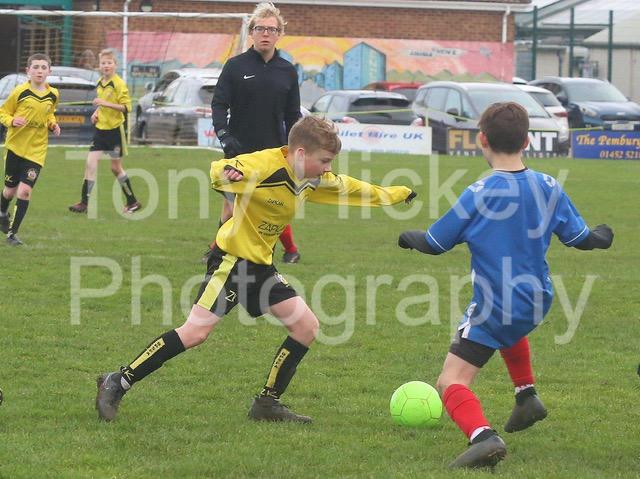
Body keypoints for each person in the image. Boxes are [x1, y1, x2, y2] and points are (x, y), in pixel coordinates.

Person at [95, 115, 416, 423]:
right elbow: (221, 169)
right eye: (325, 160)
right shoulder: (264, 165)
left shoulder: (310, 178)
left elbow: (352, 188)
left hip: (261, 266)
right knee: (195, 332)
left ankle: (266, 403)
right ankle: (117, 381)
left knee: (305, 327)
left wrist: (396, 194)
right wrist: (229, 173)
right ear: (300, 153)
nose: (328, 168)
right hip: (232, 261)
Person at [398, 102, 613, 469]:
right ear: (527, 141)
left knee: (450, 381)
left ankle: (483, 437)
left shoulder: (478, 192)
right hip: (538, 299)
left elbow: (435, 243)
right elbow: (580, 238)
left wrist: (408, 237)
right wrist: (601, 236)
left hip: (495, 305)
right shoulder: (548, 185)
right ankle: (526, 396)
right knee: (510, 328)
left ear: (482, 139)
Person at [204, 2, 302, 264]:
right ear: (251, 32)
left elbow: (293, 115)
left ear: (280, 33)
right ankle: (218, 252)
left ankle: (285, 252)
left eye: (272, 29)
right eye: (260, 28)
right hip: (239, 150)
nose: (266, 33)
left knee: (271, 205)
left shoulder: (288, 71)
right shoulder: (235, 66)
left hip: (274, 152)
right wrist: (224, 135)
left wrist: (295, 148)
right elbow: (219, 104)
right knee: (232, 202)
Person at [69, 48, 141, 214]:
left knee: (115, 168)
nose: (106, 65)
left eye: (109, 62)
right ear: (99, 65)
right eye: (103, 63)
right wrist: (97, 112)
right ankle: (84, 203)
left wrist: (103, 104)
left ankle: (132, 202)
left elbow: (126, 108)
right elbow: (103, 104)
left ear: (115, 65)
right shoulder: (100, 82)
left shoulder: (119, 84)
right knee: (90, 163)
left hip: (115, 131)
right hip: (101, 131)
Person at [0, 53, 60, 246]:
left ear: (49, 71)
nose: (39, 71)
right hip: (15, 148)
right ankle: (2, 212)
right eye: (35, 67)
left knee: (25, 191)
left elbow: (50, 114)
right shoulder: (20, 92)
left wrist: (53, 124)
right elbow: (3, 112)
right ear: (28, 71)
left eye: (43, 67)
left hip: (36, 151)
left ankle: (12, 234)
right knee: (9, 191)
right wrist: (12, 121)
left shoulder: (53, 94)